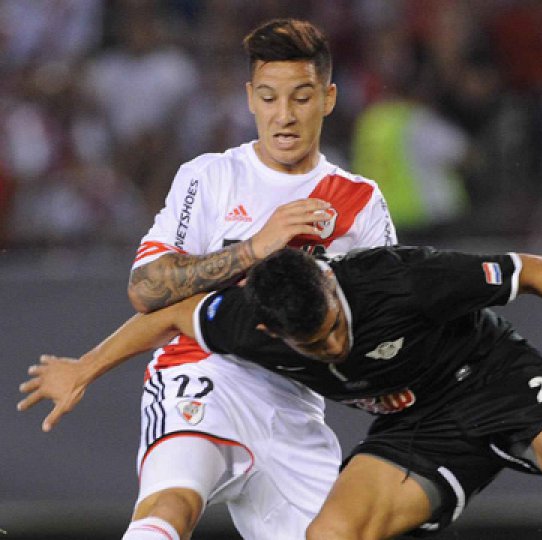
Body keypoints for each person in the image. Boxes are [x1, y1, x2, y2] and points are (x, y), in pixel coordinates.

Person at [21, 246, 542, 540]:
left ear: (331, 281)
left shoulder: (398, 279)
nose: (331, 347)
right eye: (311, 345)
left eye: (332, 328)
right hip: (410, 426)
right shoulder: (249, 320)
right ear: (270, 330)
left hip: (492, 382)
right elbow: (170, 312)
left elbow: (533, 270)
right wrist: (84, 367)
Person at [23, 18, 395, 540]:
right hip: (203, 375)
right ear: (249, 98)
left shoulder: (360, 202)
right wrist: (254, 247)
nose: (283, 116)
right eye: (268, 98)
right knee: (171, 508)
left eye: (301, 98)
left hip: (294, 404)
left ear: (329, 98)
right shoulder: (211, 177)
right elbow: (146, 289)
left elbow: (382, 321)